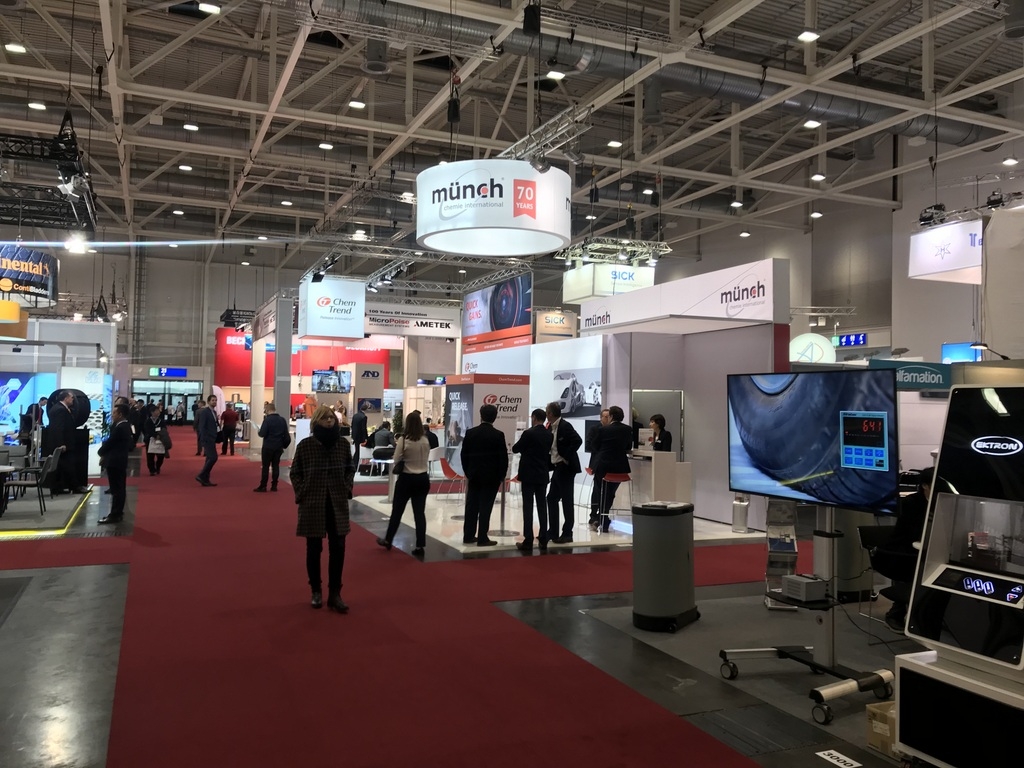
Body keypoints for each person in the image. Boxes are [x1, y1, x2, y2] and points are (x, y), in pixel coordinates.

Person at [288, 405, 354, 613]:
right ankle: (315, 590)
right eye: (325, 418)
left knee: (338, 548)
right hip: (313, 503)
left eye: (331, 418)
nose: (329, 421)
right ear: (317, 420)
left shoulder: (342, 445)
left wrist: (346, 488)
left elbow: (350, 469)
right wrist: (302, 492)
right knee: (314, 548)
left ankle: (335, 593)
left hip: (337, 502)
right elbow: (295, 472)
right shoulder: (306, 445)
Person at [874, 467, 933, 631]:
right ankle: (896, 613)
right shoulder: (910, 503)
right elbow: (912, 532)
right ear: (925, 485)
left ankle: (926, 611)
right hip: (900, 551)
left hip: (921, 549)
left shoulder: (942, 502)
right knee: (919, 567)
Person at [377, 411, 432, 556]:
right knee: (419, 513)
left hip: (407, 479)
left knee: (397, 511)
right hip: (423, 478)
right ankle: (420, 545)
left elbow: (396, 459)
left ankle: (388, 539)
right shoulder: (425, 440)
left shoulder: (404, 439)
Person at [460, 403, 508, 547]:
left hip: (474, 475)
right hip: (491, 477)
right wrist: (501, 476)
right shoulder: (498, 435)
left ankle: (468, 535)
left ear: (481, 416)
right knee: (486, 507)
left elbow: (464, 455)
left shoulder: (471, 433)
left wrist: (468, 472)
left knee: (471, 506)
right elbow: (503, 458)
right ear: (495, 417)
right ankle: (482, 537)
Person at [512, 408, 553, 553]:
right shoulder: (549, 435)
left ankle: (528, 540)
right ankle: (543, 538)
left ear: (534, 418)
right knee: (542, 506)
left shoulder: (528, 433)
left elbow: (516, 448)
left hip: (528, 475)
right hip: (542, 474)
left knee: (528, 507)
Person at [590, 406, 634, 533]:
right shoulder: (628, 429)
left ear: (611, 417)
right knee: (610, 493)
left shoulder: (603, 429)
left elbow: (594, 445)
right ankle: (604, 518)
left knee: (600, 492)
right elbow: (628, 446)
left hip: (603, 465)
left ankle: (601, 518)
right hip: (620, 467)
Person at [545, 401, 582, 544]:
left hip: (565, 468)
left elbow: (577, 440)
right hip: (557, 467)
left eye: (547, 412)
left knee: (566, 500)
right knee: (552, 498)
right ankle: (553, 531)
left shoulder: (565, 426)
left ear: (550, 413)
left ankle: (567, 533)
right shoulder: (551, 427)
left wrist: (566, 456)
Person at [98, 403, 134, 524]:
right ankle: (117, 512)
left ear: (120, 414)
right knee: (119, 488)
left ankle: (115, 514)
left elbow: (110, 443)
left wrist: (101, 452)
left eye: (114, 413)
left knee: (117, 489)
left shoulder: (120, 427)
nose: (112, 415)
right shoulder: (123, 425)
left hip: (115, 461)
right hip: (119, 460)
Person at [49, 390, 88, 495]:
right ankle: (74, 487)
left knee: (62, 466)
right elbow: (58, 428)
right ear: (65, 398)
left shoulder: (59, 408)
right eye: (71, 398)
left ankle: (58, 487)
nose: (73, 400)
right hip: (63, 443)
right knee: (68, 465)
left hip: (65, 443)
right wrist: (61, 443)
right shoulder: (60, 410)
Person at [255, 402, 291, 492]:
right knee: (276, 466)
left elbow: (262, 434)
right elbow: (286, 435)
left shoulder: (267, 420)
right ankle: (274, 485)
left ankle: (263, 486)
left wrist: (258, 431)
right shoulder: (282, 420)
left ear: (267, 410)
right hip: (278, 447)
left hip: (268, 446)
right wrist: (284, 445)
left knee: (266, 467)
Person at [586, 408, 611, 528]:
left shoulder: (611, 430)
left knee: (606, 491)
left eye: (608, 416)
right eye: (605, 416)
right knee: (596, 490)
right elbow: (589, 445)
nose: (607, 419)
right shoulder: (595, 429)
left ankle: (602, 514)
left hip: (608, 464)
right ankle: (593, 514)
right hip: (597, 463)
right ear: (601, 417)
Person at [195, 394, 220, 487]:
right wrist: (203, 438)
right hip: (207, 438)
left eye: (215, 400)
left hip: (212, 437)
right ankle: (201, 475)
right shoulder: (205, 412)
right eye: (213, 400)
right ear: (208, 401)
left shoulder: (214, 412)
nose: (214, 402)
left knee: (209, 458)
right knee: (213, 457)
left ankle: (205, 479)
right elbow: (202, 426)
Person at [142, 403, 169, 476]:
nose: (158, 412)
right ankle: (152, 469)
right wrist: (154, 435)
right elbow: (147, 430)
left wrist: (160, 435)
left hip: (160, 439)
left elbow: (164, 428)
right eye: (156, 411)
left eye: (158, 411)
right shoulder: (148, 421)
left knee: (160, 455)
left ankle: (158, 466)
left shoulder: (161, 420)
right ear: (152, 412)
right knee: (150, 456)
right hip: (150, 439)